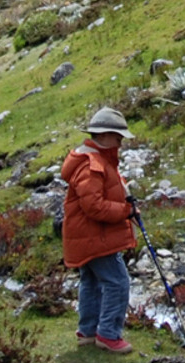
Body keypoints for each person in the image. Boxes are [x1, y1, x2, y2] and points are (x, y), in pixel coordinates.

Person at [61, 107, 138, 354]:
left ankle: (88, 331)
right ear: (104, 136)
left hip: (88, 237)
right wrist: (125, 211)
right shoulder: (92, 165)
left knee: (91, 282)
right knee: (118, 282)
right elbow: (94, 207)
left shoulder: (97, 161)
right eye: (118, 138)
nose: (121, 143)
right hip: (95, 238)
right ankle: (108, 334)